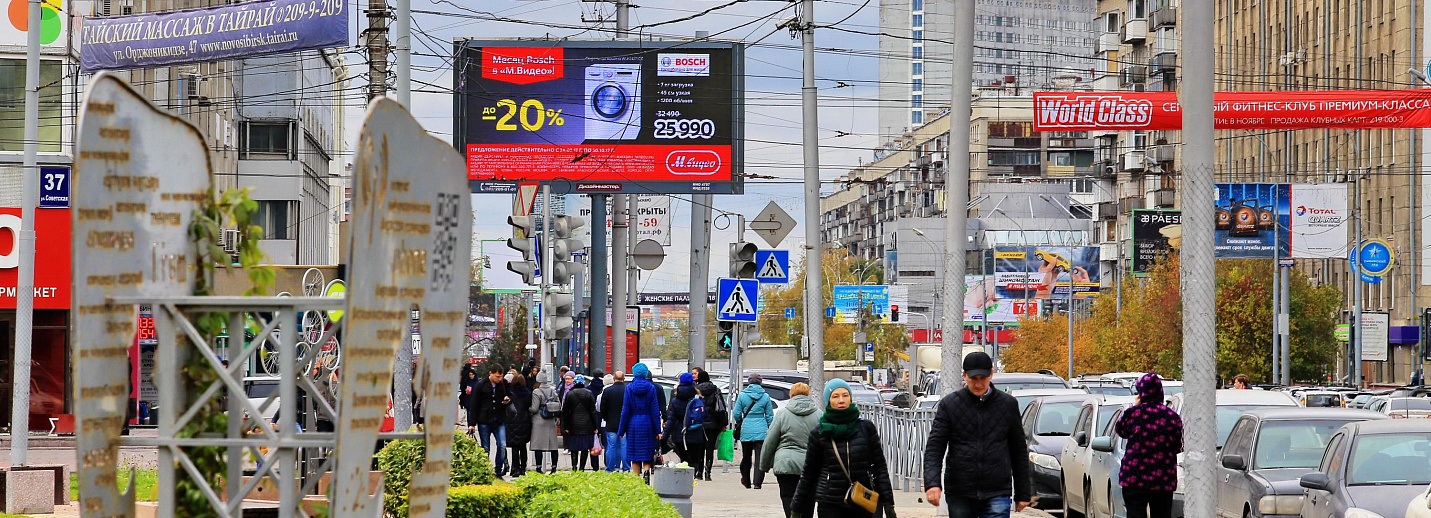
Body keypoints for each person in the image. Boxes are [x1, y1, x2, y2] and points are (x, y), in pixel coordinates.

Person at [923, 352, 1030, 518]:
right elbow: (935, 447)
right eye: (974, 378)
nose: (979, 384)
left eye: (983, 378)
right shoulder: (950, 405)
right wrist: (932, 483)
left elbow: (1019, 450)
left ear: (991, 374)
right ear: (964, 376)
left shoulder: (1007, 405)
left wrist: (1023, 492)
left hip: (997, 489)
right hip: (960, 490)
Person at [790, 379, 896, 518]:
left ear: (850, 398)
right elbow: (809, 473)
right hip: (830, 503)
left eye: (845, 395)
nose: (841, 400)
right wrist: (796, 508)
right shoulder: (820, 432)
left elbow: (880, 467)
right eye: (835, 396)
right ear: (828, 401)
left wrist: (888, 503)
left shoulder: (866, 428)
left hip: (862, 500)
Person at [1115, 373, 1184, 518]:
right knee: (1161, 513)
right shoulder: (1171, 417)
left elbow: (1120, 430)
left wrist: (1135, 406)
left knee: (1135, 513)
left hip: (1134, 476)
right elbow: (1178, 445)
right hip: (1162, 478)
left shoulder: (1133, 414)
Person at [762, 382, 823, 518]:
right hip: (811, 467)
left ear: (791, 395)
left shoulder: (782, 414)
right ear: (808, 395)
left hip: (786, 464)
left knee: (788, 496)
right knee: (808, 500)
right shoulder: (819, 415)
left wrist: (765, 464)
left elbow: (770, 441)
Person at [619, 362, 664, 477]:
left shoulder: (629, 388)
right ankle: (647, 472)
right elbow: (655, 410)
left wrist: (621, 430)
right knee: (647, 452)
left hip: (633, 424)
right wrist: (658, 430)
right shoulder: (651, 388)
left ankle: (636, 478)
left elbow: (625, 411)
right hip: (648, 423)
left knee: (635, 454)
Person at [733, 373, 775, 489]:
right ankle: (757, 483)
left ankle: (746, 481)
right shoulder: (765, 396)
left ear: (749, 382)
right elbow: (769, 415)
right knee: (759, 457)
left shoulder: (742, 396)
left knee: (746, 456)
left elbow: (736, 413)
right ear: (760, 382)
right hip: (761, 428)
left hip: (746, 427)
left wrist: (741, 421)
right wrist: (769, 427)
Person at [471, 365, 512, 477]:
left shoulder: (503, 384)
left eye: (501, 376)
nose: (499, 379)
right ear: (491, 373)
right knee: (485, 448)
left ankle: (498, 470)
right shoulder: (481, 385)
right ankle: (485, 471)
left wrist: (507, 399)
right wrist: (472, 424)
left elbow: (510, 394)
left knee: (502, 445)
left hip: (499, 419)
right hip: (484, 420)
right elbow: (474, 404)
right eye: (497, 376)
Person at [665, 373, 707, 477]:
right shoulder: (698, 398)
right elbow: (704, 416)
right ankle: (693, 477)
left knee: (683, 459)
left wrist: (665, 435)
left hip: (680, 434)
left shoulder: (675, 400)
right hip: (696, 433)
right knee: (695, 459)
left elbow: (671, 419)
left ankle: (684, 480)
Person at [693, 367, 727, 481]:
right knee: (710, 448)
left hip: (699, 424)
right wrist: (723, 423)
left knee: (699, 448)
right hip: (713, 424)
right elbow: (721, 407)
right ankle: (708, 473)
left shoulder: (696, 390)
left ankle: (699, 473)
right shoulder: (716, 390)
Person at [561, 374, 599, 471]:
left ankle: (574, 467)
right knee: (584, 448)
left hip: (574, 425)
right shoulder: (589, 393)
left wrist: (566, 426)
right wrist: (595, 426)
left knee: (574, 447)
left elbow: (566, 412)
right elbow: (592, 411)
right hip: (587, 425)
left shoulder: (570, 394)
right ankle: (582, 467)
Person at [528, 374, 562, 473]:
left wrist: (528, 409)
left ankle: (539, 468)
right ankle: (554, 467)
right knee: (553, 446)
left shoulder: (536, 392)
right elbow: (559, 404)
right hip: (551, 420)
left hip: (539, 420)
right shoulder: (552, 390)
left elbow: (534, 408)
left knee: (538, 446)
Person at [598, 371, 629, 472]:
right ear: (623, 379)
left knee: (611, 446)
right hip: (625, 424)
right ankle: (626, 468)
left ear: (614, 379)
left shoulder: (607, 391)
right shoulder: (628, 390)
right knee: (624, 446)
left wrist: (606, 418)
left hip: (611, 423)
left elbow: (603, 408)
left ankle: (610, 468)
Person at [505, 373, 533, 477]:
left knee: (515, 447)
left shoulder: (511, 393)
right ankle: (523, 469)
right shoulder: (527, 393)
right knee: (523, 446)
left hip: (512, 421)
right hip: (525, 421)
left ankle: (515, 468)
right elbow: (529, 406)